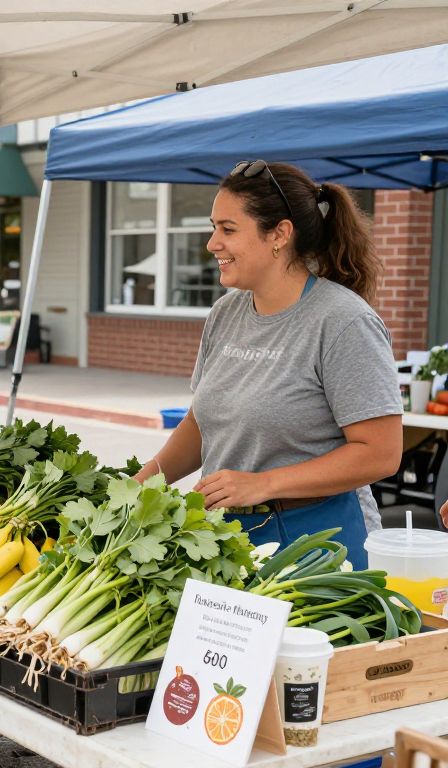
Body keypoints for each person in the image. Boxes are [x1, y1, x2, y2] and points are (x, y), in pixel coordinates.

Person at [133, 160, 403, 568]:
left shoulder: (344, 321)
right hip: (230, 534)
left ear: (279, 234)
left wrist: (263, 484)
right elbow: (202, 423)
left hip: (321, 543)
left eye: (228, 229)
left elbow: (380, 454)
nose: (211, 243)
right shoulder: (226, 313)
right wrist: (139, 486)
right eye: (213, 227)